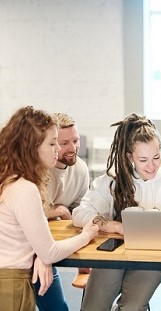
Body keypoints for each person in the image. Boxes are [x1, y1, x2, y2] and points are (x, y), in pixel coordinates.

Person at [72, 113, 161, 311]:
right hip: (114, 253)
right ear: (130, 157)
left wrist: (152, 219)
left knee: (132, 307)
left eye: (155, 157)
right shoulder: (113, 180)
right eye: (143, 159)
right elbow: (80, 213)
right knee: (93, 307)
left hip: (153, 255)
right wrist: (112, 225)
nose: (151, 166)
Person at [0, 106, 99, 311]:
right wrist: (87, 235)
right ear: (32, 147)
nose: (58, 150)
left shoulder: (9, 179)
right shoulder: (25, 188)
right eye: (53, 143)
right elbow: (50, 253)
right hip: (11, 281)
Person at [34, 112, 90, 311]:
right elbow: (30, 216)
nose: (72, 148)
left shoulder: (81, 169)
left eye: (75, 140)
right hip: (30, 249)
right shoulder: (38, 170)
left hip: (54, 242)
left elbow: (81, 213)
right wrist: (55, 211)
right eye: (64, 142)